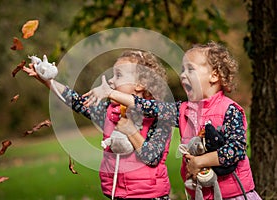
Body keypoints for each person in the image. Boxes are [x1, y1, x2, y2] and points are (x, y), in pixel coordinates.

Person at [85, 41, 262, 199]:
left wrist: (200, 161)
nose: (183, 75)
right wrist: (111, 93)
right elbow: (148, 106)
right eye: (182, 69)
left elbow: (236, 150)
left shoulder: (229, 110)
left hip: (234, 194)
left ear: (214, 75)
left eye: (190, 69)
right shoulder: (182, 110)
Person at [22, 50, 172, 199]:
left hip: (151, 196)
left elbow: (152, 158)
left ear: (140, 84)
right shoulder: (109, 112)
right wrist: (49, 82)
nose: (111, 80)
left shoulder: (159, 117)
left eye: (118, 75)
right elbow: (77, 101)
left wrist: (130, 131)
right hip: (117, 194)